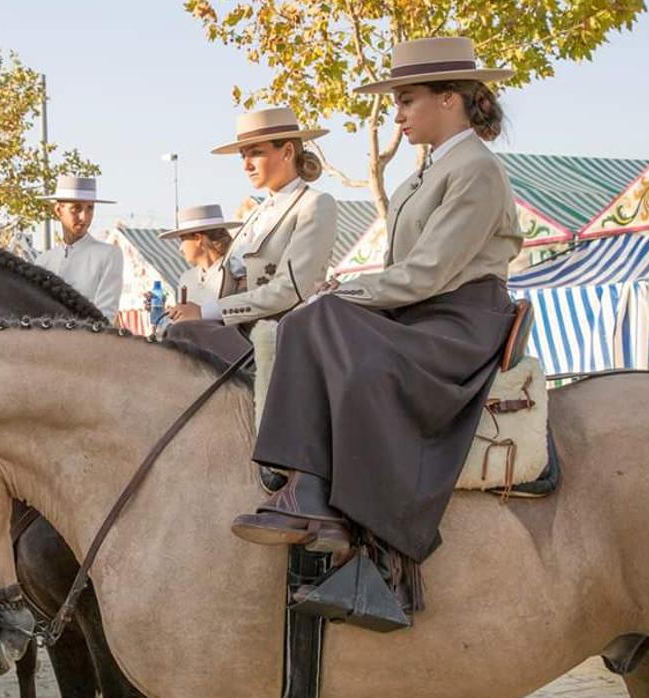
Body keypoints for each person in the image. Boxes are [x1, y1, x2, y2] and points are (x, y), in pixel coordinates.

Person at [231, 37, 523, 628]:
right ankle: (308, 489)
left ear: (450, 98)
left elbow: (431, 272)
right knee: (313, 321)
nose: (397, 114)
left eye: (407, 100)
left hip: (458, 322)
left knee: (316, 318)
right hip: (426, 310)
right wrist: (352, 294)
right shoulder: (432, 168)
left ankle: (343, 519)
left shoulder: (477, 170)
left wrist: (346, 293)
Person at [163, 107, 338, 362]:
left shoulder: (315, 204)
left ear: (287, 151)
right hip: (236, 329)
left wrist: (205, 312)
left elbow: (288, 289)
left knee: (184, 336)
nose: (246, 165)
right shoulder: (256, 213)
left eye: (255, 153)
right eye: (243, 156)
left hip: (279, 335)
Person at [34, 175, 124, 321]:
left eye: (90, 208)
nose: (84, 217)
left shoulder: (109, 255)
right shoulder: (43, 261)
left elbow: (105, 316)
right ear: (58, 210)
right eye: (76, 208)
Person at [156, 204, 239, 305]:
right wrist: (160, 308)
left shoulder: (236, 272)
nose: (180, 248)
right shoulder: (187, 278)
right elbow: (183, 318)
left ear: (198, 238)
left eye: (183, 240)